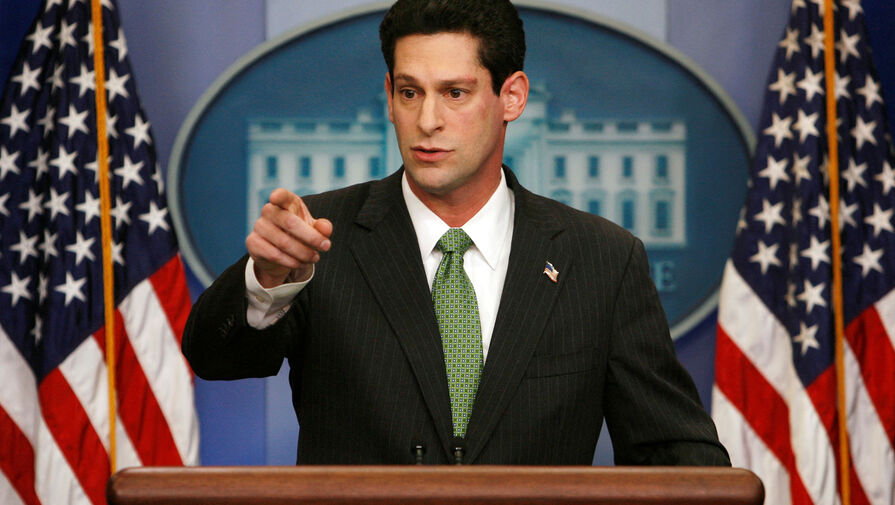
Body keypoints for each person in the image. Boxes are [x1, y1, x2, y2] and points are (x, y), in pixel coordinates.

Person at [182, 0, 730, 466]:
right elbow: (215, 358)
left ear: (512, 97)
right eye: (410, 92)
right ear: (389, 96)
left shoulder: (601, 259)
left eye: (455, 93)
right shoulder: (319, 239)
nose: (427, 121)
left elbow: (676, 454)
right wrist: (268, 281)